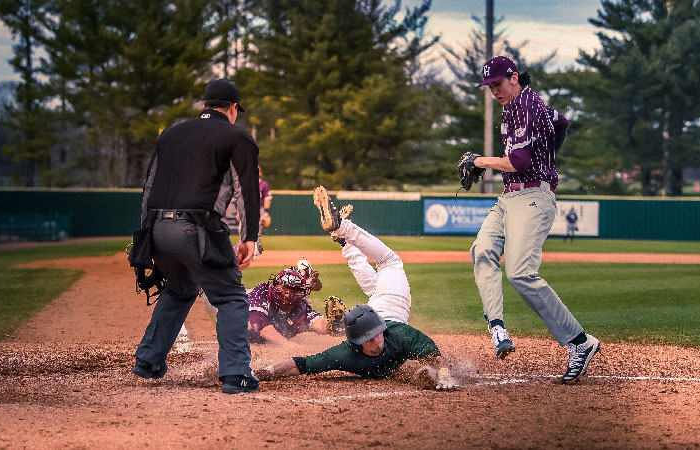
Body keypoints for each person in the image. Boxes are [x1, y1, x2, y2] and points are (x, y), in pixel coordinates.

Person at [468, 56, 600, 384]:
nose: (493, 90)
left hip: (532, 195)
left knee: (520, 272)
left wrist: (479, 161)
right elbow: (562, 121)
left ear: (513, 78)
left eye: (497, 84)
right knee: (482, 249)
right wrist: (551, 150)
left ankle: (580, 343)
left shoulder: (526, 105)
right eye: (489, 86)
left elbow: (519, 160)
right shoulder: (519, 105)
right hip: (509, 197)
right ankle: (497, 329)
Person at [254, 187, 459, 391]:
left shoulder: (396, 333)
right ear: (358, 342)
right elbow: (302, 364)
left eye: (377, 333)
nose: (377, 339)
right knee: (389, 262)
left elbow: (434, 355)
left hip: (382, 309)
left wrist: (443, 374)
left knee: (383, 273)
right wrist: (265, 372)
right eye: (369, 338)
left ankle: (344, 232)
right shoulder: (348, 353)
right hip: (386, 306)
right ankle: (342, 230)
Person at [133, 79, 261, 394]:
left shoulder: (169, 135)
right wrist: (250, 237)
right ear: (233, 108)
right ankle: (236, 375)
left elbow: (148, 189)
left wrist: (145, 237)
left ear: (205, 105)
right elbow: (247, 190)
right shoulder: (238, 137)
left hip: (158, 228)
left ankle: (148, 361)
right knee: (230, 296)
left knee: (179, 289)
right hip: (197, 227)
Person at [247, 267, 329, 345]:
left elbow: (318, 323)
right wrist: (288, 345)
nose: (287, 294)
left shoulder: (300, 306)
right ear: (276, 285)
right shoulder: (262, 292)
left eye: (294, 290)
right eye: (284, 288)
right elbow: (259, 323)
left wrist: (331, 324)